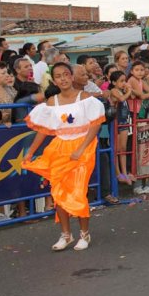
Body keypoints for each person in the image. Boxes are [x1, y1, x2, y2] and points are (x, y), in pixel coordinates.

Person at [22, 62, 105, 251]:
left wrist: (82, 148)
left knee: (78, 191)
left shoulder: (85, 98)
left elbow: (95, 125)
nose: (63, 79)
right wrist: (31, 151)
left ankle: (85, 233)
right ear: (54, 80)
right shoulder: (52, 102)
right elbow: (43, 130)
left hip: (82, 148)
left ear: (71, 76)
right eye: (59, 76)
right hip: (59, 148)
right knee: (58, 192)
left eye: (66, 74)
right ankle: (66, 234)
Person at [0, 62, 16, 127]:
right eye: (3, 73)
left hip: (13, 128)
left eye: (6, 72)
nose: (7, 75)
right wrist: (0, 118)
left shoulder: (11, 89)